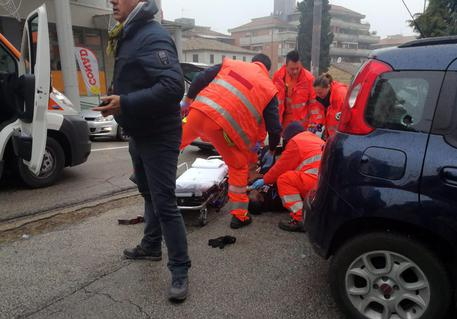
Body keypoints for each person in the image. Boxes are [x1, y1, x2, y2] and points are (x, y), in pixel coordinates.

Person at [93, 0, 190, 302]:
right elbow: (135, 81)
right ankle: (150, 245)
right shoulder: (129, 33)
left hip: (159, 134)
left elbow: (174, 87)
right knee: (148, 194)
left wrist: (125, 102)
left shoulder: (152, 34)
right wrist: (116, 103)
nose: (111, 1)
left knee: (164, 202)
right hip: (138, 130)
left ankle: (180, 270)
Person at [180, 54, 282, 229]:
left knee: (171, 143)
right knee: (238, 166)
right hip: (223, 128)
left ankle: (144, 170)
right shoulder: (268, 88)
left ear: (253, 62)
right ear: (267, 69)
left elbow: (201, 78)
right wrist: (272, 149)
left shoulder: (231, 64)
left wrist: (187, 101)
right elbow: (274, 127)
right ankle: (239, 216)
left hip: (198, 112)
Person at [249, 122, 324, 232]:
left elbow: (280, 167)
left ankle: (300, 219)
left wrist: (264, 180)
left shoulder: (296, 142)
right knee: (291, 176)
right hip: (326, 183)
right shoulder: (315, 139)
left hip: (316, 183)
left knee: (284, 179)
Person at [272, 50, 324, 132]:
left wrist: (315, 125)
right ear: (286, 66)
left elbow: (314, 104)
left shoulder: (309, 79)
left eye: (297, 68)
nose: (295, 71)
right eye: (292, 69)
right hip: (282, 124)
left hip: (301, 126)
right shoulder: (278, 77)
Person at [313, 73, 348, 139]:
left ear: (328, 87)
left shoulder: (340, 95)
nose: (318, 95)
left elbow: (345, 119)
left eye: (320, 93)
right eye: (316, 92)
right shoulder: (321, 98)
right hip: (331, 135)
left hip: (341, 136)